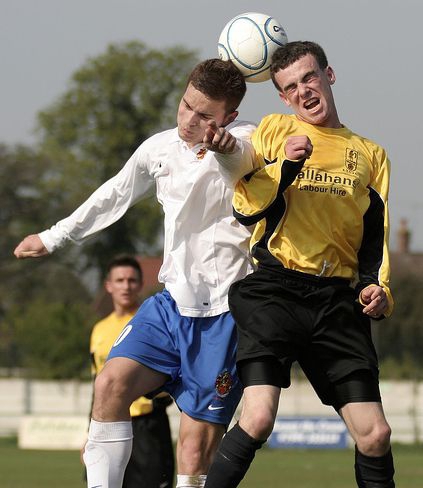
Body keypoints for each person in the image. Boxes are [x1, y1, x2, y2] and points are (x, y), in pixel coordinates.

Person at [14, 58, 257, 488]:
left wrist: (227, 149)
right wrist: (53, 237)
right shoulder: (158, 149)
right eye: (186, 105)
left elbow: (242, 160)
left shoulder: (248, 139)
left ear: (229, 116)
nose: (189, 119)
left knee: (194, 453)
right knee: (109, 385)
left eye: (204, 115)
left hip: (223, 316)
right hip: (170, 306)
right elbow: (115, 194)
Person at [204, 41, 395, 488]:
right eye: (291, 87)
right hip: (275, 291)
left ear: (329, 75)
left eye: (309, 77)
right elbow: (245, 205)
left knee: (375, 435)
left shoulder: (371, 154)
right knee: (258, 418)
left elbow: (377, 234)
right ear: (283, 97)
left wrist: (379, 288)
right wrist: (285, 165)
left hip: (336, 301)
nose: (303, 90)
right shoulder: (274, 130)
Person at [87, 254, 174, 488]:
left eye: (131, 280)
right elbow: (97, 385)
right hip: (107, 424)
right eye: (120, 280)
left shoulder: (154, 323)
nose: (126, 286)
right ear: (108, 285)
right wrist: (89, 432)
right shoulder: (99, 330)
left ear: (140, 284)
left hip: (148, 426)